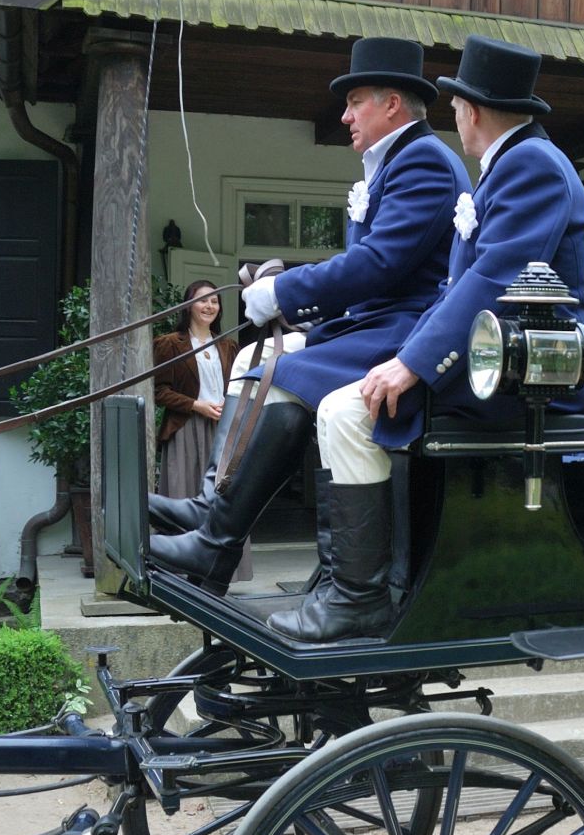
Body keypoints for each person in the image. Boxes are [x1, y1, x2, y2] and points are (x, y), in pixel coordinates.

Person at [254, 35, 584, 643]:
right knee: (338, 397)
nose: (455, 117)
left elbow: (490, 280)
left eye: (457, 105)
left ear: (471, 110)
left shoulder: (530, 166)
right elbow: (456, 287)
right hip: (490, 361)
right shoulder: (513, 166)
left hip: (521, 378)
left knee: (345, 411)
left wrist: (409, 365)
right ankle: (344, 582)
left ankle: (359, 595)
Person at [148, 36, 469, 594]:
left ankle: (215, 541)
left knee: (279, 371)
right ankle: (212, 509)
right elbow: (370, 267)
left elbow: (378, 266)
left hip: (409, 329)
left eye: (355, 102)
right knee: (254, 354)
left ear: (391, 103)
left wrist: (283, 293)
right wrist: (284, 291)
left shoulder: (423, 161)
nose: (344, 116)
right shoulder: (399, 160)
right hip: (380, 324)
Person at [150, 280, 251, 579]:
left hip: (223, 428)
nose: (209, 306)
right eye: (202, 300)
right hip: (185, 428)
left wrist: (226, 407)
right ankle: (176, 567)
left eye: (215, 301)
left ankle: (222, 570)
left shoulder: (228, 346)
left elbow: (240, 388)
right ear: (188, 305)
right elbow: (159, 391)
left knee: (224, 495)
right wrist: (196, 405)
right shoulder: (169, 344)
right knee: (184, 493)